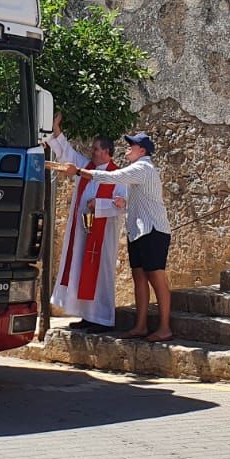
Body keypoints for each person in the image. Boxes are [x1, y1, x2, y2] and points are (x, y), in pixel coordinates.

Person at [48, 132, 173, 341]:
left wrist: (80, 172)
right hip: (138, 232)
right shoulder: (133, 169)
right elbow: (124, 200)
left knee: (156, 279)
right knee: (139, 278)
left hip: (152, 231)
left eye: (131, 145)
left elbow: (114, 178)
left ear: (142, 150)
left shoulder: (142, 167)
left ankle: (164, 328)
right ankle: (141, 326)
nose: (127, 148)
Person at [44, 115, 126, 330]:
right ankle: (87, 316)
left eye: (97, 149)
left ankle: (103, 318)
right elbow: (67, 155)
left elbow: (121, 205)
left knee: (100, 274)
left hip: (103, 235)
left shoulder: (117, 175)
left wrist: (97, 204)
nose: (92, 151)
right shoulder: (87, 166)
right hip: (83, 231)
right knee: (82, 270)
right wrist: (56, 130)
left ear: (107, 152)